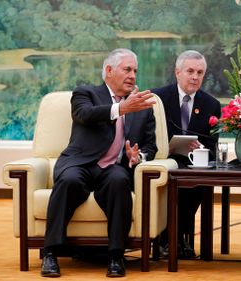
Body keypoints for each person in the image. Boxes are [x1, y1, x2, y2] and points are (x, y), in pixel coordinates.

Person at [41, 48, 157, 278]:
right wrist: (120, 109)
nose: (133, 75)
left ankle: (115, 256)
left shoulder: (142, 107)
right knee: (69, 180)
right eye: (127, 69)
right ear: (109, 71)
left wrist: (138, 157)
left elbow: (150, 147)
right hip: (80, 164)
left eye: (135, 70)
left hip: (112, 168)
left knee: (119, 180)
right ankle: (51, 253)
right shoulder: (86, 93)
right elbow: (85, 115)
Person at [152, 50, 221, 259]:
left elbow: (212, 145)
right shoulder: (157, 98)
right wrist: (167, 148)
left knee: (197, 183)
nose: (195, 77)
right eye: (190, 71)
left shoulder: (211, 104)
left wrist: (200, 148)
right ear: (177, 72)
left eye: (200, 73)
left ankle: (176, 238)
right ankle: (169, 239)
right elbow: (146, 136)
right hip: (163, 160)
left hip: (192, 164)